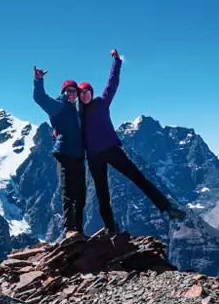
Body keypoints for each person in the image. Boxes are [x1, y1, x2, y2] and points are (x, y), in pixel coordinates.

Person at [79, 49, 187, 236]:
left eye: (87, 92)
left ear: (91, 93)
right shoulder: (78, 115)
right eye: (82, 93)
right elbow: (68, 127)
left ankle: (167, 208)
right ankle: (110, 228)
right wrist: (57, 131)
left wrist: (116, 62)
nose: (85, 95)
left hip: (111, 150)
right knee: (102, 194)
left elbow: (112, 83)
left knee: (139, 178)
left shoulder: (102, 103)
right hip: (95, 157)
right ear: (80, 97)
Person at [32, 65, 87, 240]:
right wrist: (39, 80)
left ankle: (78, 229)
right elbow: (40, 98)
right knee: (68, 191)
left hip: (78, 155)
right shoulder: (58, 106)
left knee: (81, 193)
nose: (72, 94)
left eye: (74, 91)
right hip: (64, 153)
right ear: (64, 92)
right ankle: (70, 229)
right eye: (69, 91)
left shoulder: (75, 110)